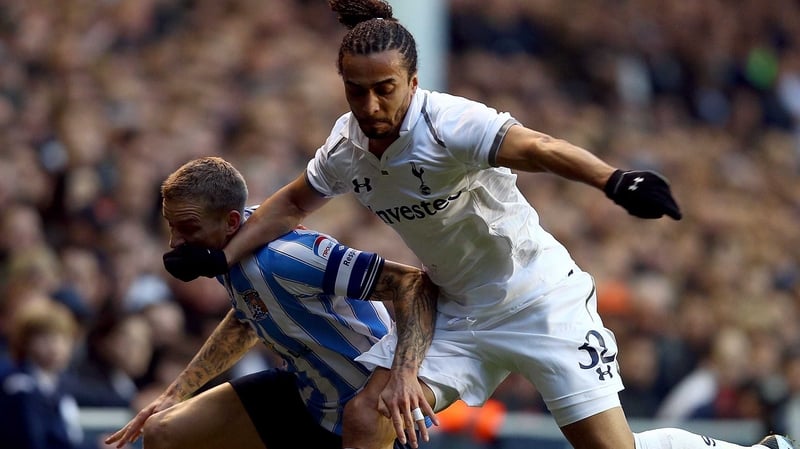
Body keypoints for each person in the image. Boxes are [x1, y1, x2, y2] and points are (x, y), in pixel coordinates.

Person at [159, 2, 796, 449]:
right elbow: (292, 204)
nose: (372, 105)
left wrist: (613, 179)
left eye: (385, 89)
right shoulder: (348, 146)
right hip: (459, 312)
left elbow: (540, 146)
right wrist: (222, 258)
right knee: (369, 419)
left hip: (539, 301)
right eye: (357, 92)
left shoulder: (450, 124)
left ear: (413, 79)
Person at [104, 156, 438, 449]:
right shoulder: (226, 253)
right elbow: (246, 318)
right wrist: (176, 393)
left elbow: (409, 283)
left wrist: (403, 376)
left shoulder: (287, 256)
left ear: (232, 222)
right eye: (171, 227)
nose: (175, 242)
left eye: (188, 228)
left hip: (367, 409)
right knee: (163, 432)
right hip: (304, 393)